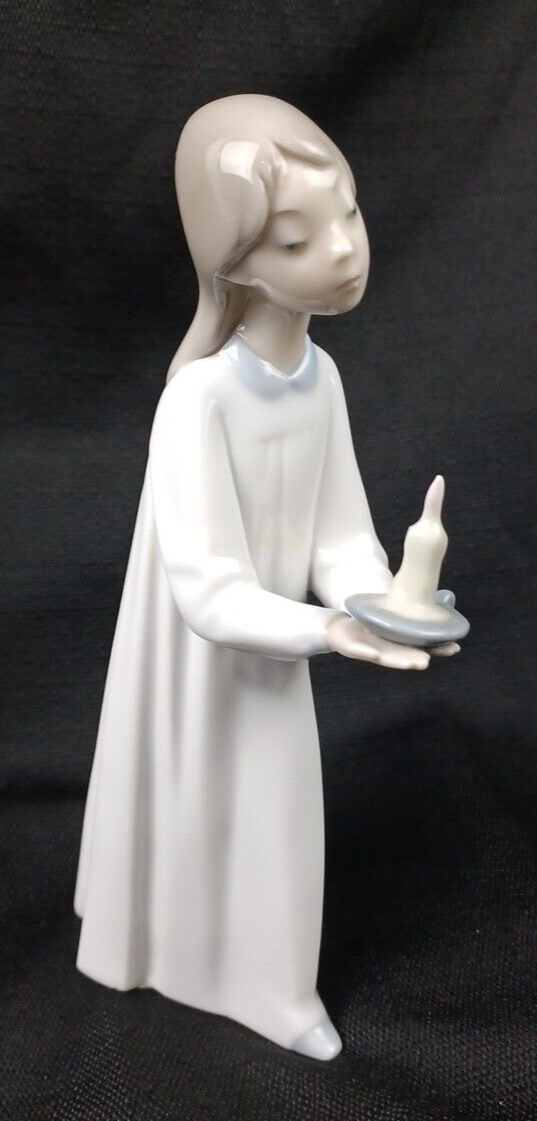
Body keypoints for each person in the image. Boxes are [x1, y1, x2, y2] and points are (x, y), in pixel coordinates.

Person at [74, 94, 458, 1060]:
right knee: (193, 807)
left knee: (277, 817)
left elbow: (339, 539)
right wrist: (328, 630)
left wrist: (386, 600)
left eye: (350, 213)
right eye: (297, 240)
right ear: (233, 262)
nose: (343, 249)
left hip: (272, 651)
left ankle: (274, 987)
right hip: (203, 662)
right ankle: (176, 954)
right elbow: (206, 591)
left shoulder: (321, 381)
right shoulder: (197, 402)